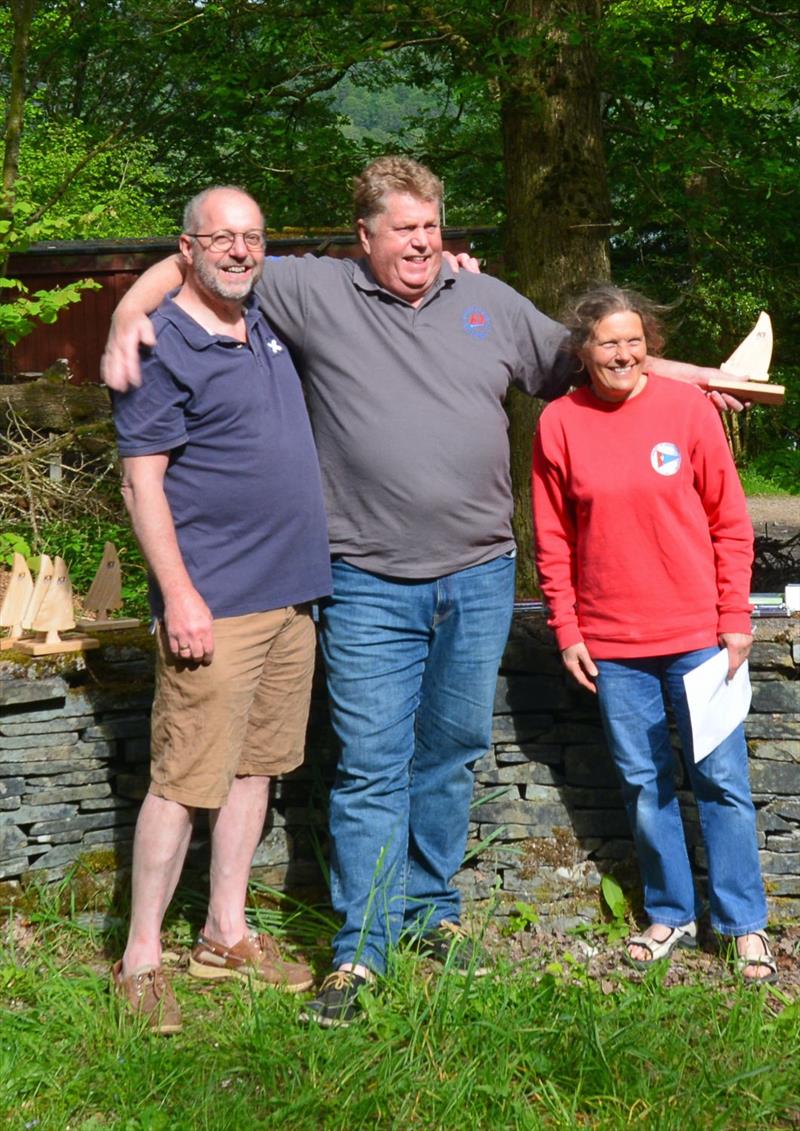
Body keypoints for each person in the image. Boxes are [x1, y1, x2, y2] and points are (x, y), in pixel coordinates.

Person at [102, 157, 754, 1026]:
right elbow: (198, 258)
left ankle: (431, 914)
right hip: (365, 581)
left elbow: (605, 357)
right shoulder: (313, 290)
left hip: (479, 576)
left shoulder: (487, 303)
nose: (420, 242)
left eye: (431, 226)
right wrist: (122, 315)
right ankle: (362, 947)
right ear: (363, 236)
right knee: (370, 766)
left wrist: (700, 378)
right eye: (401, 228)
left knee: (449, 755)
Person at [110, 186, 332, 1033]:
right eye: (220, 239)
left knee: (257, 768)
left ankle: (223, 932)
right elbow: (143, 483)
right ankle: (139, 959)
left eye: (252, 237)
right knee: (182, 780)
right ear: (187, 248)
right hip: (217, 602)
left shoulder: (263, 320)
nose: (240, 251)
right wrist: (179, 595)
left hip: (291, 597)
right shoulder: (163, 345)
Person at [532, 284, 775, 984]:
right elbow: (552, 537)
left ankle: (743, 923)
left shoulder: (686, 409)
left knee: (723, 780)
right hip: (613, 644)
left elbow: (730, 522)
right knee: (644, 785)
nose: (624, 353)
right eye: (608, 342)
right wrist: (568, 626)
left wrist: (735, 618)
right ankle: (670, 912)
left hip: (699, 634)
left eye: (634, 340)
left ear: (650, 346)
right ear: (583, 350)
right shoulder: (559, 423)